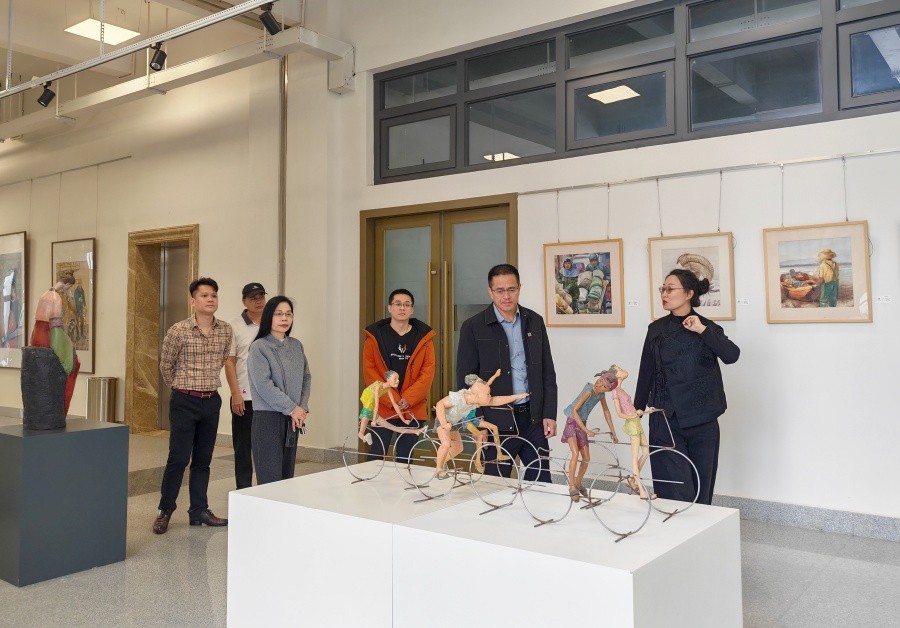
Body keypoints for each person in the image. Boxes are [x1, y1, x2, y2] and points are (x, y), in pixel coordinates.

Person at [633, 269, 740, 505]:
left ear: (689, 293)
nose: (664, 294)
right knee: (673, 490)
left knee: (701, 488)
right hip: (664, 419)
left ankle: (700, 529)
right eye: (663, 289)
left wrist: (701, 330)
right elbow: (646, 371)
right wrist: (636, 411)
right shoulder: (656, 329)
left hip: (702, 418)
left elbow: (732, 355)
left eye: (670, 289)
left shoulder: (707, 328)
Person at [457, 263, 558, 482]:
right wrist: (476, 421)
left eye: (511, 289)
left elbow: (547, 371)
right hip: (495, 421)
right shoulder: (473, 327)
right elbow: (465, 380)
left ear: (519, 288)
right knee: (495, 486)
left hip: (533, 419)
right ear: (490, 291)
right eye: (500, 290)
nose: (506, 296)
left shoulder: (535, 321)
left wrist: (549, 413)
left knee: (542, 485)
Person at [154, 277, 232, 534]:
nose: (210, 299)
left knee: (203, 460)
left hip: (211, 401)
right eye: (204, 295)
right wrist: (180, 388)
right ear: (193, 301)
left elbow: (223, 359)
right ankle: (165, 510)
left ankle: (199, 510)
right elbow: (166, 365)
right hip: (184, 401)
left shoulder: (225, 330)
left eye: (214, 295)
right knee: (178, 459)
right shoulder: (178, 330)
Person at [362, 288, 435, 464]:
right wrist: (392, 400)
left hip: (412, 408)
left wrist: (408, 398)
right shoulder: (374, 338)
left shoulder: (424, 339)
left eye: (407, 305)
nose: (402, 308)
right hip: (383, 407)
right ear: (389, 307)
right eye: (398, 304)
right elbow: (370, 372)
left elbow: (427, 372)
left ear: (412, 310)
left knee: (405, 458)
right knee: (376, 455)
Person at [248, 296, 312, 485]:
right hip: (268, 418)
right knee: (270, 479)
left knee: (286, 477)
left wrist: (301, 408)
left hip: (293, 418)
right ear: (269, 316)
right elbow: (263, 385)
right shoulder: (259, 347)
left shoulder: (296, 345)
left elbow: (306, 377)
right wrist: (292, 408)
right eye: (278, 314)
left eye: (288, 314)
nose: (284, 318)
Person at [433, 370, 526, 478]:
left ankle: (440, 460)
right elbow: (440, 404)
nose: (490, 396)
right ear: (477, 395)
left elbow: (495, 401)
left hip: (454, 423)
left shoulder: (475, 401)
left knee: (458, 448)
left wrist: (515, 397)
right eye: (487, 394)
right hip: (443, 420)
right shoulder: (459, 398)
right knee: (446, 444)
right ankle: (439, 470)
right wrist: (444, 423)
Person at [224, 282, 267, 489]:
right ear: (244, 301)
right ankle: (243, 490)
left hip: (268, 397)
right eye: (253, 298)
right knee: (243, 447)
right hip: (245, 396)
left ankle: (267, 489)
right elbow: (229, 361)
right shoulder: (233, 326)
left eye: (261, 297)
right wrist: (235, 394)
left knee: (267, 447)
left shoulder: (272, 321)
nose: (258, 301)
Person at [560, 371, 618, 501]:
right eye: (600, 381)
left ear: (607, 390)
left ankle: (578, 482)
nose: (599, 385)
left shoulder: (601, 395)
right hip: (572, 422)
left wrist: (613, 432)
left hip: (582, 423)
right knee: (575, 454)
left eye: (603, 386)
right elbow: (574, 410)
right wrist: (586, 430)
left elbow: (606, 411)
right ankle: (571, 486)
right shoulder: (588, 391)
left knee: (586, 458)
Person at [607, 365, 653, 500]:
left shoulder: (621, 390)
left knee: (646, 452)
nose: (623, 370)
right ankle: (640, 488)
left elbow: (630, 409)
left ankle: (632, 481)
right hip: (632, 424)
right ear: (617, 375)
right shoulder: (615, 392)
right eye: (619, 369)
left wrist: (644, 411)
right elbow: (619, 414)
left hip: (636, 422)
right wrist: (633, 415)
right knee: (635, 456)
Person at [357, 370, 418, 445]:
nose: (397, 381)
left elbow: (395, 405)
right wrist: (374, 420)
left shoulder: (387, 389)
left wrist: (404, 420)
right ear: (388, 379)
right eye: (395, 379)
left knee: (392, 427)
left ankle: (416, 431)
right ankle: (364, 438)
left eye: (398, 379)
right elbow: (376, 404)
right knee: (361, 433)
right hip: (367, 409)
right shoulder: (377, 386)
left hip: (371, 411)